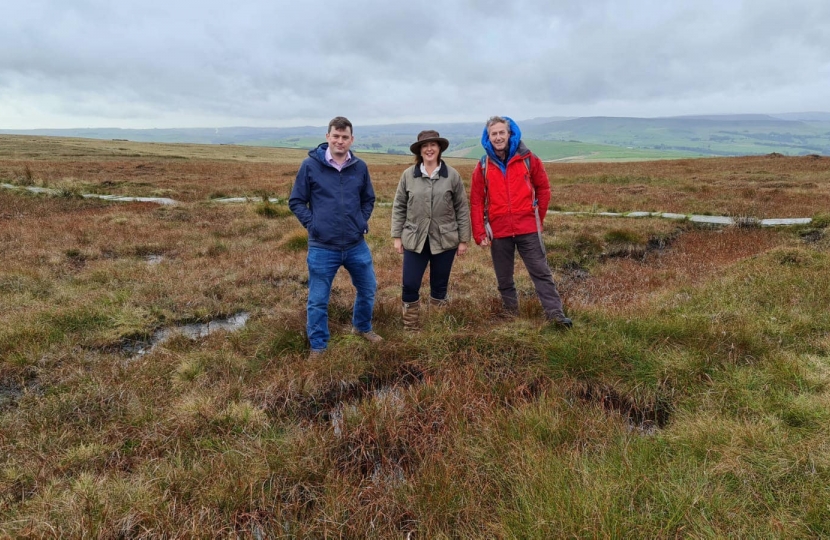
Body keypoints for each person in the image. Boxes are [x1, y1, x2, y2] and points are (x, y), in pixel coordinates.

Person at [289, 116, 383, 357]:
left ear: (351, 139)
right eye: (336, 136)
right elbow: (297, 201)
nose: (340, 141)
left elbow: (368, 198)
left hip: (355, 244)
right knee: (318, 299)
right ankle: (318, 346)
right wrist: (313, 225)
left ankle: (362, 328)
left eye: (344, 137)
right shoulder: (309, 166)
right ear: (327, 137)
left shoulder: (359, 167)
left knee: (368, 287)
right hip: (322, 246)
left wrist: (361, 221)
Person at [469, 116, 572, 328]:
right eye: (493, 134)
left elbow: (543, 188)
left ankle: (556, 316)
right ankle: (511, 316)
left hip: (528, 229)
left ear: (509, 134)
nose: (498, 137)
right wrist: (479, 233)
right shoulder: (483, 165)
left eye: (501, 133)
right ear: (488, 137)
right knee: (504, 279)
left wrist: (536, 217)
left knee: (541, 273)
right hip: (499, 231)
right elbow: (476, 201)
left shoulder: (528, 159)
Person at [391, 130, 471, 330]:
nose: (429, 149)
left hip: (445, 240)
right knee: (409, 284)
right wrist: (397, 236)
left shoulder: (452, 175)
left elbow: (461, 207)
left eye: (433, 145)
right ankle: (411, 327)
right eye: (425, 146)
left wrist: (463, 240)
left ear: (439, 148)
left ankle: (436, 327)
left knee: (439, 285)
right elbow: (399, 205)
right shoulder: (408, 175)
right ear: (420, 150)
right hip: (414, 239)